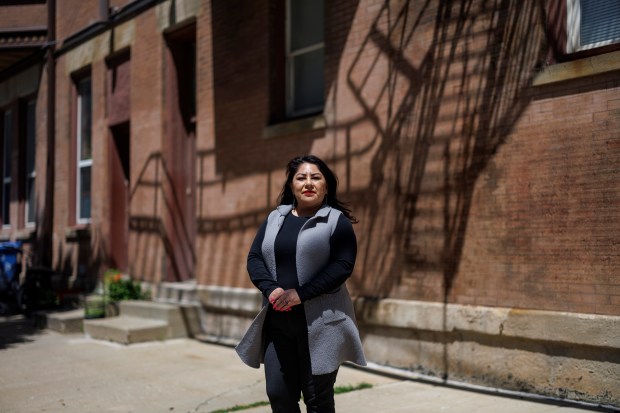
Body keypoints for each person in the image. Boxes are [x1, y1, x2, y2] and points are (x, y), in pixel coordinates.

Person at [236, 155, 367, 413]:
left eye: (316, 177)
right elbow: (254, 257)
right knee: (279, 396)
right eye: (301, 178)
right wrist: (271, 289)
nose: (308, 183)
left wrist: (301, 294)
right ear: (292, 186)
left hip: (321, 326)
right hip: (278, 324)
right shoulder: (275, 218)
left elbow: (342, 266)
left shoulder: (335, 221)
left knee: (317, 402)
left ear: (326, 186)